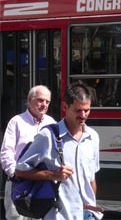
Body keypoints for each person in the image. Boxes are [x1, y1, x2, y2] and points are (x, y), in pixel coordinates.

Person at [14, 82, 102, 220]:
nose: (83, 115)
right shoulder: (47, 136)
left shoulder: (93, 137)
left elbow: (91, 179)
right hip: (60, 214)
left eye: (87, 110)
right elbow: (19, 171)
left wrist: (92, 208)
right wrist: (53, 175)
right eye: (78, 110)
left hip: (88, 215)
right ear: (64, 107)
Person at [1, 85, 57, 220]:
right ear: (29, 100)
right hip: (19, 184)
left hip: (43, 186)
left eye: (47, 102)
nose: (44, 105)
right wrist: (15, 174)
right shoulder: (16, 122)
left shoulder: (52, 124)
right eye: (40, 100)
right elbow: (6, 153)